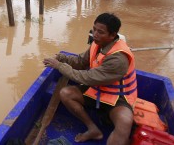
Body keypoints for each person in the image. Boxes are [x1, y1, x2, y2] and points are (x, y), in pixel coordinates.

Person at [43, 13, 137, 144]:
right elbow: (80, 61)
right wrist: (62, 57)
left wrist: (59, 66)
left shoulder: (118, 59)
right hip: (97, 89)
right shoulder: (97, 43)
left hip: (117, 97)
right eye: (94, 29)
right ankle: (93, 129)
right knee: (65, 93)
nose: (95, 34)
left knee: (125, 122)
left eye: (101, 32)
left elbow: (85, 77)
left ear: (112, 35)